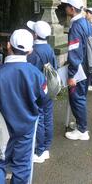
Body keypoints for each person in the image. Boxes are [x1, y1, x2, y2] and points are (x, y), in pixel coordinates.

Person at [0, 29, 48, 184]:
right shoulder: (37, 75)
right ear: (30, 51)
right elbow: (44, 100)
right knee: (22, 166)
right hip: (26, 128)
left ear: (8, 46)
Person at [61, 0, 92, 141]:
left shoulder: (75, 26)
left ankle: (82, 130)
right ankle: (81, 124)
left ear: (72, 9)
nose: (65, 8)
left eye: (66, 6)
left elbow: (74, 52)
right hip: (87, 66)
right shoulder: (86, 22)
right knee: (81, 96)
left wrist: (72, 74)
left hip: (79, 69)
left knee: (77, 98)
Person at [27, 21, 57, 163]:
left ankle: (39, 151)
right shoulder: (49, 49)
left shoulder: (32, 52)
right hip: (48, 88)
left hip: (36, 90)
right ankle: (46, 148)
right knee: (48, 117)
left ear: (35, 34)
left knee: (38, 118)